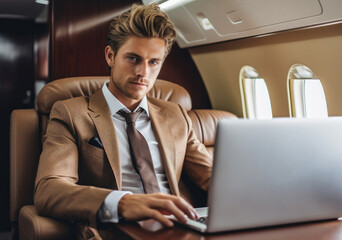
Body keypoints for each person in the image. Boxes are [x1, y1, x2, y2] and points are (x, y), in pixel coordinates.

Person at [34, 3, 213, 239]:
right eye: (133, 58)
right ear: (111, 55)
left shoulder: (176, 115)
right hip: (117, 230)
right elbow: (49, 190)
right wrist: (122, 204)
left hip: (180, 227)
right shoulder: (70, 113)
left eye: (153, 62)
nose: (143, 73)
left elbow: (212, 178)